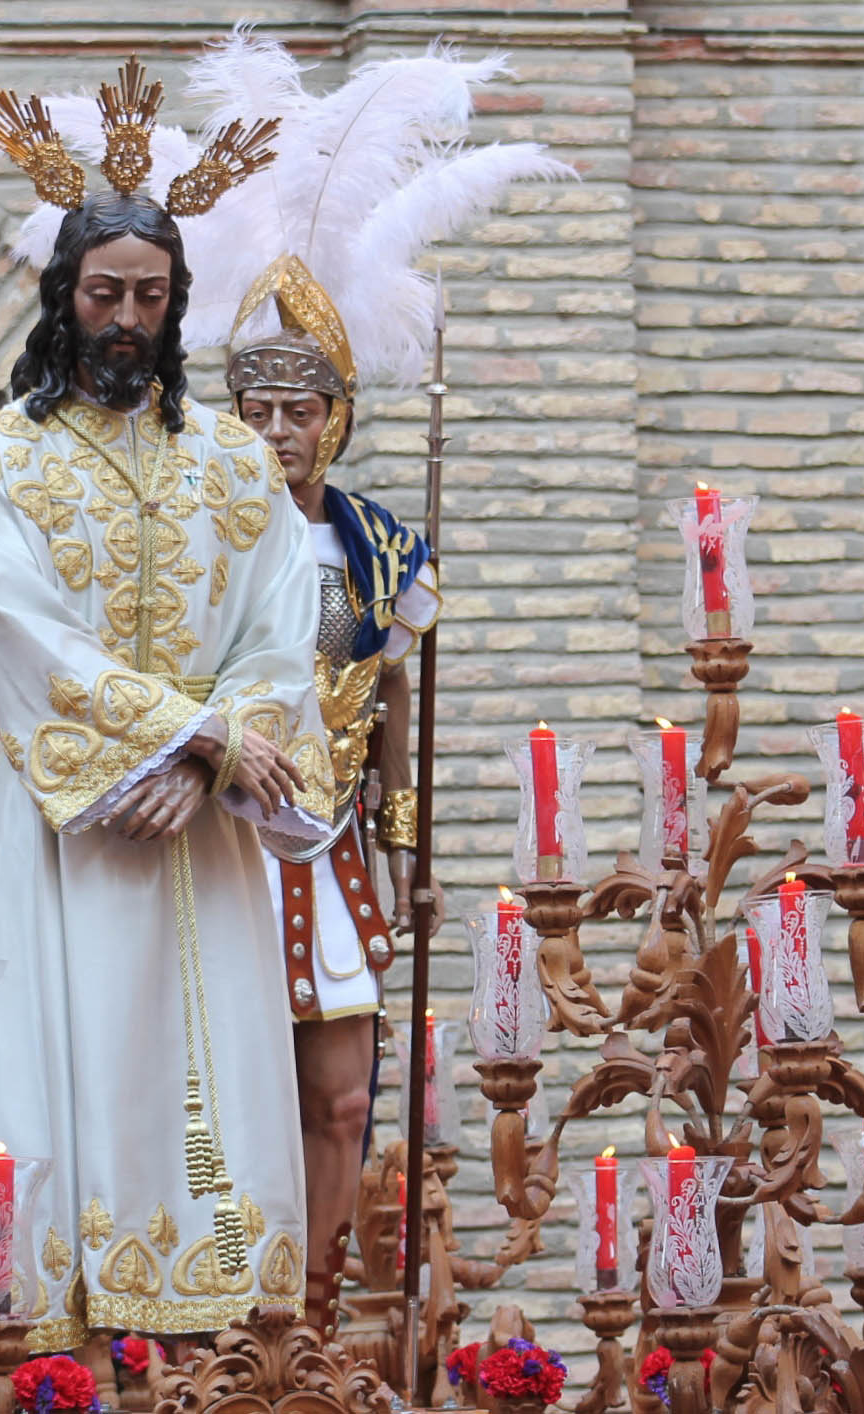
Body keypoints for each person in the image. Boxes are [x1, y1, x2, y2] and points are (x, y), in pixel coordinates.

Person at [176, 30, 569, 1323]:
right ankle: (238, 1304)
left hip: (336, 841)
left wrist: (409, 848)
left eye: (302, 409)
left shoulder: (381, 545)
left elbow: (397, 704)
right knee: (227, 1088)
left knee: (345, 1092)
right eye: (259, 408)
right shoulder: (188, 543)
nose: (280, 431)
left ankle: (322, 1310)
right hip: (225, 841)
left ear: (335, 416)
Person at [0, 60, 334, 1348]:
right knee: (86, 1069)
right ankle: (73, 1342)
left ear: (177, 309)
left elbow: (286, 627)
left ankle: (230, 1331)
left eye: (148, 298)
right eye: (102, 293)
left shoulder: (232, 458)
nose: (124, 318)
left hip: (210, 834)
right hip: (78, 830)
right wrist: (185, 729)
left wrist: (222, 751)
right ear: (62, 298)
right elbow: (22, 632)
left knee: (222, 1062)